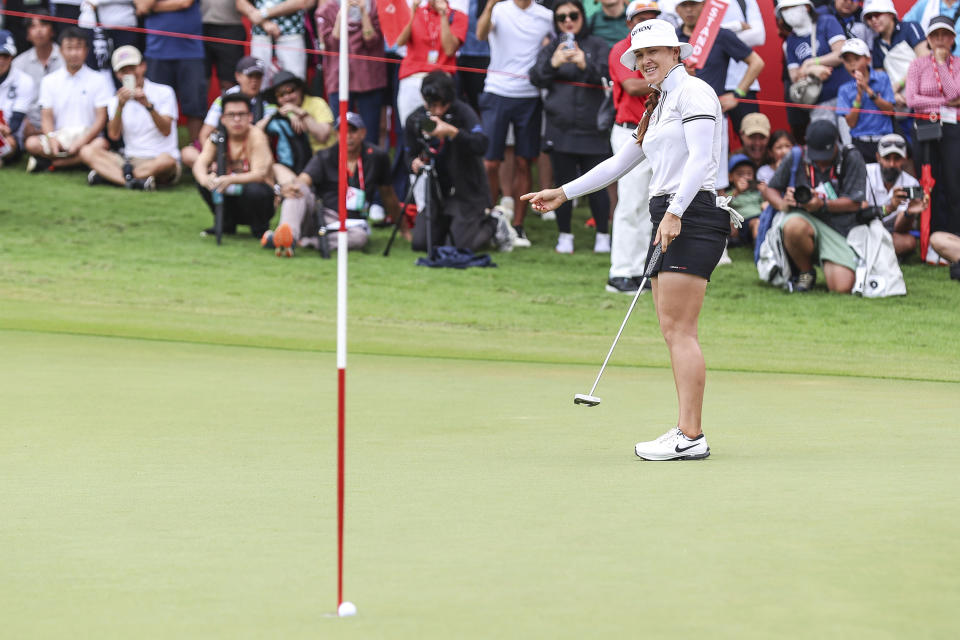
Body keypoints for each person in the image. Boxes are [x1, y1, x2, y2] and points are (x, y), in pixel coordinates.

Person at [523, 19, 739, 461]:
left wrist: (676, 211)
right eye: (639, 56)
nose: (645, 62)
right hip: (670, 211)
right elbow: (618, 163)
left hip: (692, 212)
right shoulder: (658, 105)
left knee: (681, 330)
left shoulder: (694, 93)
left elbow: (701, 160)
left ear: (676, 53)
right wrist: (563, 192)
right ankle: (685, 429)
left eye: (654, 52)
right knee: (670, 329)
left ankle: (691, 435)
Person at [529, 0, 612, 254]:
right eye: (561, 17)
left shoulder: (597, 45)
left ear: (581, 17)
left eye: (573, 15)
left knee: (597, 185)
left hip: (593, 128)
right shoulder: (552, 47)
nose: (567, 21)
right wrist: (553, 63)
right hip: (560, 128)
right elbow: (535, 78)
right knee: (562, 184)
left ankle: (602, 235)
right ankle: (564, 235)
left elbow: (608, 76)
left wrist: (584, 64)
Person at [404, 71, 513, 253]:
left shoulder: (463, 112)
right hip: (438, 193)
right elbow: (408, 156)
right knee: (421, 244)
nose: (437, 111)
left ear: (450, 101)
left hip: (468, 192)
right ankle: (452, 228)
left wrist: (453, 133)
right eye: (432, 106)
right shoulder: (416, 120)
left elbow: (482, 144)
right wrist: (413, 163)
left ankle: (493, 223)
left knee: (457, 247)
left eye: (442, 106)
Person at [266, 112, 402, 255]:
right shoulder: (325, 155)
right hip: (321, 214)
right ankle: (288, 238)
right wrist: (289, 188)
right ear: (336, 134)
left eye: (353, 131)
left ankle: (306, 242)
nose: (348, 136)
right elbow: (303, 180)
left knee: (359, 238)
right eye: (343, 131)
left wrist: (404, 229)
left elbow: (388, 194)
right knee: (298, 189)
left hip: (353, 222)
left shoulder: (377, 156)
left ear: (363, 133)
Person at [477, 0, 555, 248]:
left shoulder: (545, 16)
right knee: (490, 162)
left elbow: (560, 41)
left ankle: (519, 227)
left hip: (529, 96)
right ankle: (488, 221)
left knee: (524, 162)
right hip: (496, 91)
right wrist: (489, 7)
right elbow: (480, 35)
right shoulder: (499, 9)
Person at [762, 119, 868, 293]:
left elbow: (854, 203)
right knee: (793, 226)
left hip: (840, 229)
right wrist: (783, 204)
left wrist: (822, 204)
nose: (820, 162)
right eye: (816, 155)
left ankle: (828, 260)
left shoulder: (851, 157)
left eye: (824, 156)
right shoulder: (796, 155)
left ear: (836, 144)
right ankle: (806, 271)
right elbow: (770, 189)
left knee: (841, 287)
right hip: (805, 221)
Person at [674, 0, 764, 190]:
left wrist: (737, 94)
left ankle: (720, 220)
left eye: (694, 4)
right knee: (679, 181)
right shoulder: (672, 38)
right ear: (676, 9)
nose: (689, 10)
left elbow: (756, 62)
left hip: (711, 117)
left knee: (716, 182)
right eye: (684, 5)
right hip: (677, 116)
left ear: (704, 6)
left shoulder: (720, 34)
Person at [605, 0, 659, 294]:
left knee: (651, 206)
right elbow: (632, 86)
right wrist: (670, 79)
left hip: (658, 132)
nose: (646, 23)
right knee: (630, 203)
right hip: (630, 131)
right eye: (641, 18)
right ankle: (620, 272)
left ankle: (641, 271)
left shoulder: (663, 50)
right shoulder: (620, 50)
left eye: (651, 18)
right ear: (629, 23)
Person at [80, 45, 180, 190]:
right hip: (130, 160)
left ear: (143, 67)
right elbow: (114, 135)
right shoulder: (116, 100)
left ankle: (112, 177)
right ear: (117, 75)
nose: (130, 74)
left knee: (167, 162)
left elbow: (166, 130)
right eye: (124, 71)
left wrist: (148, 106)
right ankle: (132, 182)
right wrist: (121, 106)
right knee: (86, 151)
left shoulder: (164, 92)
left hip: (158, 158)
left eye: (133, 68)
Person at [23, 26, 113, 172]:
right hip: (60, 137)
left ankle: (54, 165)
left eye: (78, 48)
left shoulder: (99, 79)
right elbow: (46, 116)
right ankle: (78, 161)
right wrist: (52, 139)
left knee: (101, 144)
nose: (74, 53)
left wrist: (81, 142)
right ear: (61, 51)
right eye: (69, 48)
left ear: (86, 50)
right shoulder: (49, 80)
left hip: (87, 138)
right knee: (32, 143)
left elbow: (101, 119)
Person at [905, 15, 960, 240]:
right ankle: (933, 236)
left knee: (953, 181)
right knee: (929, 181)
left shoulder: (957, 64)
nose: (939, 40)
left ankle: (955, 235)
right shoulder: (917, 64)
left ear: (952, 39)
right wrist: (944, 103)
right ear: (927, 39)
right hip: (924, 127)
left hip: (951, 129)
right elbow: (911, 99)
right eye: (934, 35)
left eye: (944, 35)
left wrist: (940, 64)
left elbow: (954, 92)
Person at [192, 92, 275, 238]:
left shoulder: (257, 136)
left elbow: (259, 175)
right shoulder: (218, 137)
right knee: (203, 182)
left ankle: (260, 229)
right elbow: (199, 164)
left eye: (241, 114)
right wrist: (206, 180)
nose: (237, 119)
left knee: (255, 190)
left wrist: (230, 179)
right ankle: (225, 224)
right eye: (231, 115)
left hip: (257, 199)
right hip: (229, 194)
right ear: (222, 119)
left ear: (250, 117)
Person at [182, 56, 275, 168]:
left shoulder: (268, 102)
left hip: (251, 150)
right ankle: (214, 168)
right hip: (223, 148)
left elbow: (265, 138)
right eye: (250, 76)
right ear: (238, 76)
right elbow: (204, 134)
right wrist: (211, 158)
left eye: (258, 76)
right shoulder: (224, 99)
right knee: (187, 153)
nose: (254, 81)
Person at [315, 0, 387, 145]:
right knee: (341, 133)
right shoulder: (327, 9)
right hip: (339, 79)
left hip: (369, 79)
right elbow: (332, 44)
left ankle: (367, 167)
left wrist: (363, 12)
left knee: (369, 134)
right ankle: (343, 166)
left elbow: (371, 40)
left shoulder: (376, 7)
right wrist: (342, 14)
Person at [135, 0, 207, 142]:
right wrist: (149, 6)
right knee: (157, 106)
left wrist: (153, 7)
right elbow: (141, 6)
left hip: (190, 52)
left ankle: (197, 153)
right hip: (157, 51)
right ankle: (160, 151)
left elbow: (185, 3)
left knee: (195, 107)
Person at [779, 0, 852, 137]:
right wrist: (810, 70)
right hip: (819, 102)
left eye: (792, 7)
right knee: (825, 144)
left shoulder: (827, 22)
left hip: (844, 95)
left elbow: (841, 54)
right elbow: (794, 76)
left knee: (850, 140)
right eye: (784, 10)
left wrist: (812, 62)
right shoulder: (790, 41)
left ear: (806, 7)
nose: (788, 13)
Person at [395, 0, 468, 125]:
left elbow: (449, 49)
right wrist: (412, 12)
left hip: (440, 80)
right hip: (412, 79)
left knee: (437, 130)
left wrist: (443, 16)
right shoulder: (416, 11)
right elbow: (400, 41)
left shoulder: (457, 15)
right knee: (411, 128)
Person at [263, 70, 334, 179]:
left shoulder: (317, 103)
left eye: (290, 90)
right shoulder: (278, 111)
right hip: (297, 166)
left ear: (300, 89)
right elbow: (259, 129)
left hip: (327, 162)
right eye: (280, 94)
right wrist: (290, 115)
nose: (287, 97)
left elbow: (323, 136)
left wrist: (300, 113)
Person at [864, 133, 925, 257]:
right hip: (864, 228)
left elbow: (900, 229)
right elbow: (859, 213)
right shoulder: (865, 174)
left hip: (889, 234)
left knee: (908, 242)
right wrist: (891, 207)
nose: (892, 164)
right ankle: (880, 253)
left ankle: (870, 252)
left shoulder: (911, 184)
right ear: (878, 157)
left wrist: (908, 213)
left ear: (905, 159)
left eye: (897, 159)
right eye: (887, 158)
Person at [837, 37, 895, 161]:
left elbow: (890, 110)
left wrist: (868, 90)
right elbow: (851, 123)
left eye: (857, 59)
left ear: (868, 59)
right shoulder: (844, 89)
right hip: (860, 143)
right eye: (847, 61)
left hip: (884, 140)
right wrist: (858, 96)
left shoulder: (882, 78)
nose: (852, 64)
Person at [862, 0, 928, 106]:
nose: (874, 20)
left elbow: (926, 62)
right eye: (869, 17)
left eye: (877, 14)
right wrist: (892, 95)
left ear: (891, 14)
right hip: (900, 106)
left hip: (925, 97)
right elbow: (881, 79)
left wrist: (899, 85)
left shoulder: (910, 28)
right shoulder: (876, 44)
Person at [12, 10, 64, 136]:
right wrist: (24, 122)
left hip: (62, 123)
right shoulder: (18, 64)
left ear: (52, 31)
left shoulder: (66, 58)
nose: (39, 30)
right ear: (27, 34)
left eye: (43, 25)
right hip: (30, 126)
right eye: (33, 26)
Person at [719, 0, 766, 137]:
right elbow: (695, 34)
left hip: (744, 85)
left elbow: (758, 36)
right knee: (712, 144)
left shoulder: (745, 1)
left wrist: (717, 36)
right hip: (711, 85)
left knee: (753, 139)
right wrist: (736, 26)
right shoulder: (697, 3)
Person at [236, 0, 309, 83]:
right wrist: (264, 23)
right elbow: (241, 3)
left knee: (294, 82)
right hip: (261, 37)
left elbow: (301, 2)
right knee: (259, 82)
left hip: (291, 36)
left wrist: (264, 13)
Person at [1, 30, 36, 167]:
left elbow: (15, 122)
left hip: (8, 134)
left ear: (12, 57)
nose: (1, 60)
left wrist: (4, 129)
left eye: (5, 56)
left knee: (9, 142)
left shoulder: (24, 81)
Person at [200, 0, 247, 91]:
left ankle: (232, 104)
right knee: (201, 78)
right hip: (200, 25)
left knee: (229, 80)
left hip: (230, 25)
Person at [726, 153, 764, 244]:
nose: (746, 177)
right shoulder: (730, 193)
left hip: (761, 217)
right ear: (730, 177)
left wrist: (764, 192)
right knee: (756, 223)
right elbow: (725, 203)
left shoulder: (756, 192)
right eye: (740, 174)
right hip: (745, 222)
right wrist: (737, 192)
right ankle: (761, 249)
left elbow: (764, 203)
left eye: (749, 174)